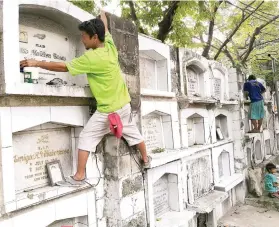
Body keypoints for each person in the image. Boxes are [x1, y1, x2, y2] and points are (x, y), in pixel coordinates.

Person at [20, 11, 150, 185]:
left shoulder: (92, 58)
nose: (82, 39)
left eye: (84, 36)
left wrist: (36, 63)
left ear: (94, 37)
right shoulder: (110, 46)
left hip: (108, 111)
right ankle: (146, 159)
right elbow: (105, 26)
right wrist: (102, 14)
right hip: (123, 105)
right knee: (133, 133)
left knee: (86, 138)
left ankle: (79, 175)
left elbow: (63, 66)